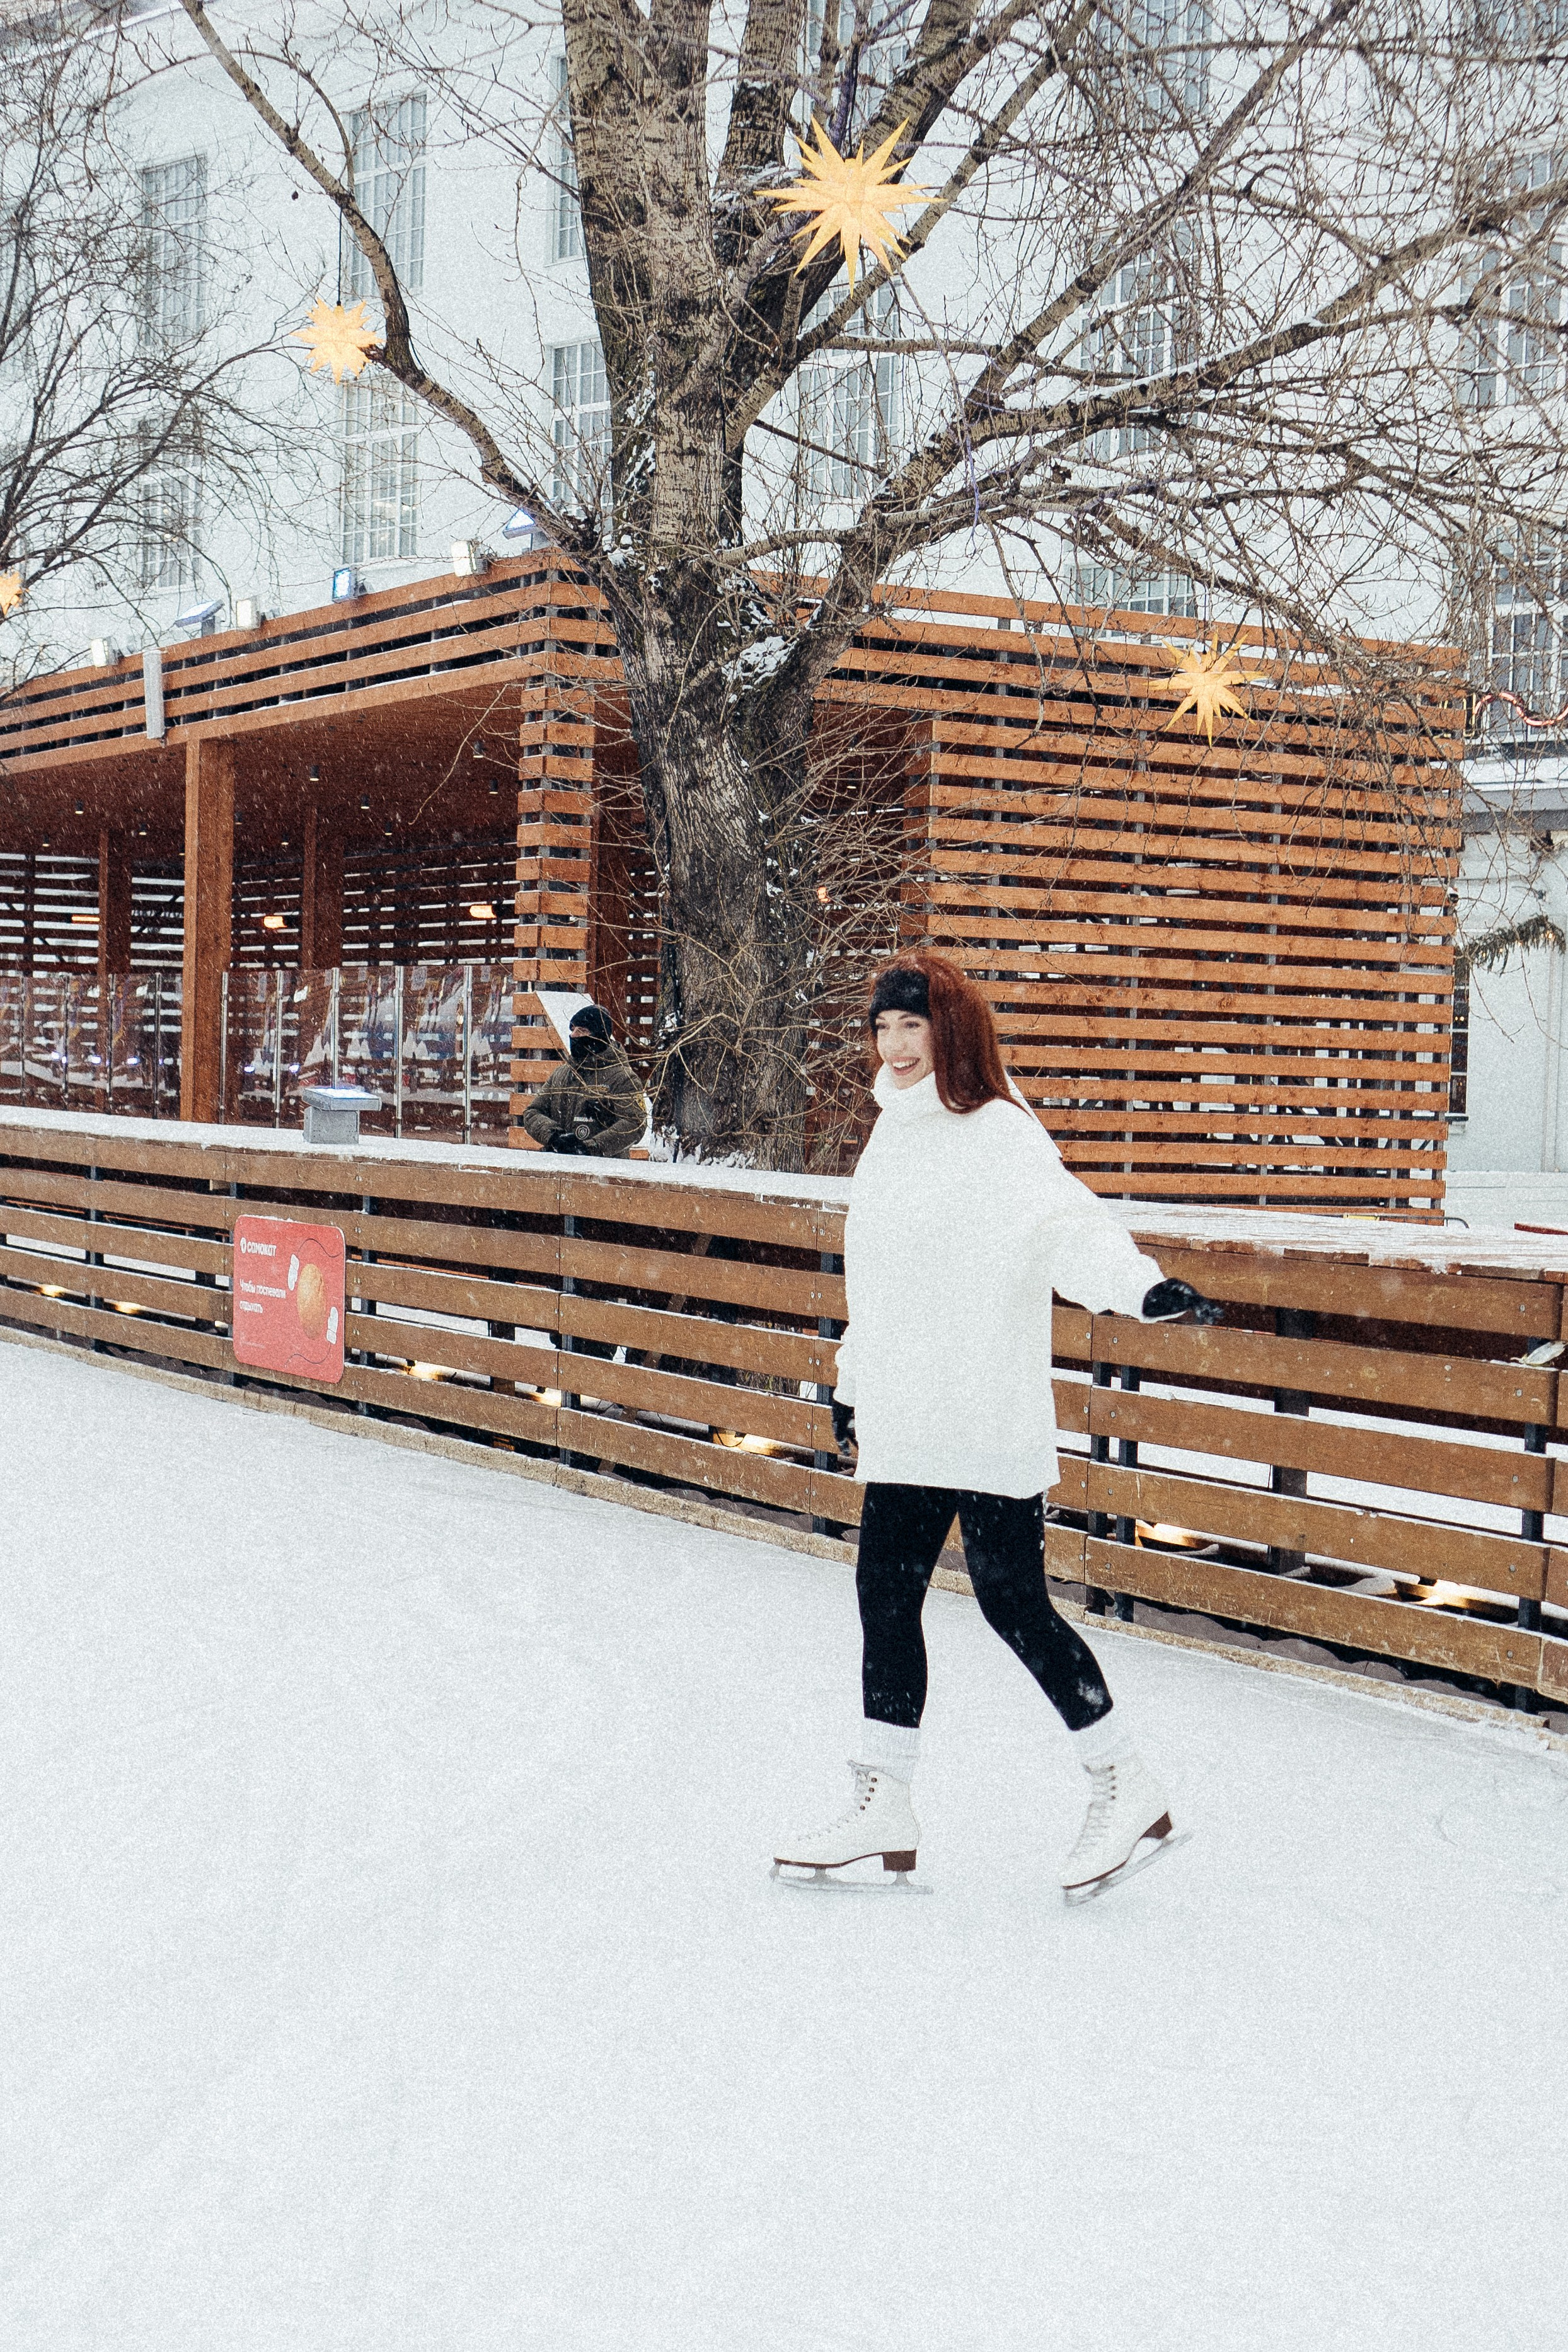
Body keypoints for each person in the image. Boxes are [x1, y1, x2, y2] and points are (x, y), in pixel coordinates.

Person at [773, 952, 1221, 1903]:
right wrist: (853, 1383)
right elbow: (876, 1286)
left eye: (911, 1028)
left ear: (951, 1033)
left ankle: (1122, 1779)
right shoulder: (889, 1141)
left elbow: (1071, 1230)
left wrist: (1140, 1288)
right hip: (906, 1415)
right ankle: (885, 1796)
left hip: (982, 1413)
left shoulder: (1002, 1137)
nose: (893, 1047)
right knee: (885, 1601)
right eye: (882, 1029)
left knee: (1014, 1604)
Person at [521, 1004, 647, 1158]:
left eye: (582, 1031)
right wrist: (554, 1137)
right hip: (557, 1164)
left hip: (604, 1170)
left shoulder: (623, 1078)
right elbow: (532, 1113)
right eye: (573, 1030)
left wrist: (591, 1147)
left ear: (598, 1037)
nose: (574, 1036)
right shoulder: (561, 1075)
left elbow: (635, 1124)